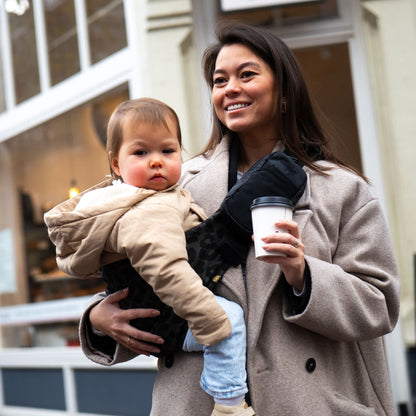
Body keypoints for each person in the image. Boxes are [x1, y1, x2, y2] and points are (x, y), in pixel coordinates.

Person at [76, 22, 400, 416]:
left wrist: (303, 273)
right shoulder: (173, 187)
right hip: (196, 403)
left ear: (284, 91)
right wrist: (97, 318)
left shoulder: (344, 190)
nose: (230, 88)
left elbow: (380, 304)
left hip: (310, 402)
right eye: (219, 80)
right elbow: (140, 276)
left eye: (247, 74)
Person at [44, 97, 255, 416]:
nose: (156, 161)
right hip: (168, 312)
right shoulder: (149, 207)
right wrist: (207, 318)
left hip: (158, 308)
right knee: (229, 322)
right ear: (117, 164)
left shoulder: (132, 201)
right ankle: (229, 405)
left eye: (167, 151)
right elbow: (166, 268)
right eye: (141, 152)